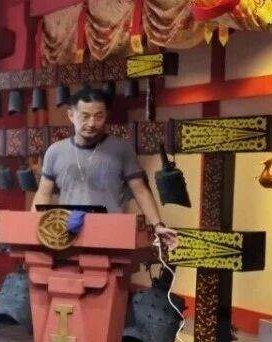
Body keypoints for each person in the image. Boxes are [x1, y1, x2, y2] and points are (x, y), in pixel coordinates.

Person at [32, 87, 177, 248]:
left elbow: (140, 190)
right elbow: (43, 193)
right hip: (66, 236)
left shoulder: (122, 149)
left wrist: (158, 225)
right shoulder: (55, 152)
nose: (91, 123)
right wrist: (31, 227)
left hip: (110, 235)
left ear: (106, 115)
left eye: (98, 116)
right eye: (85, 116)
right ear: (71, 115)